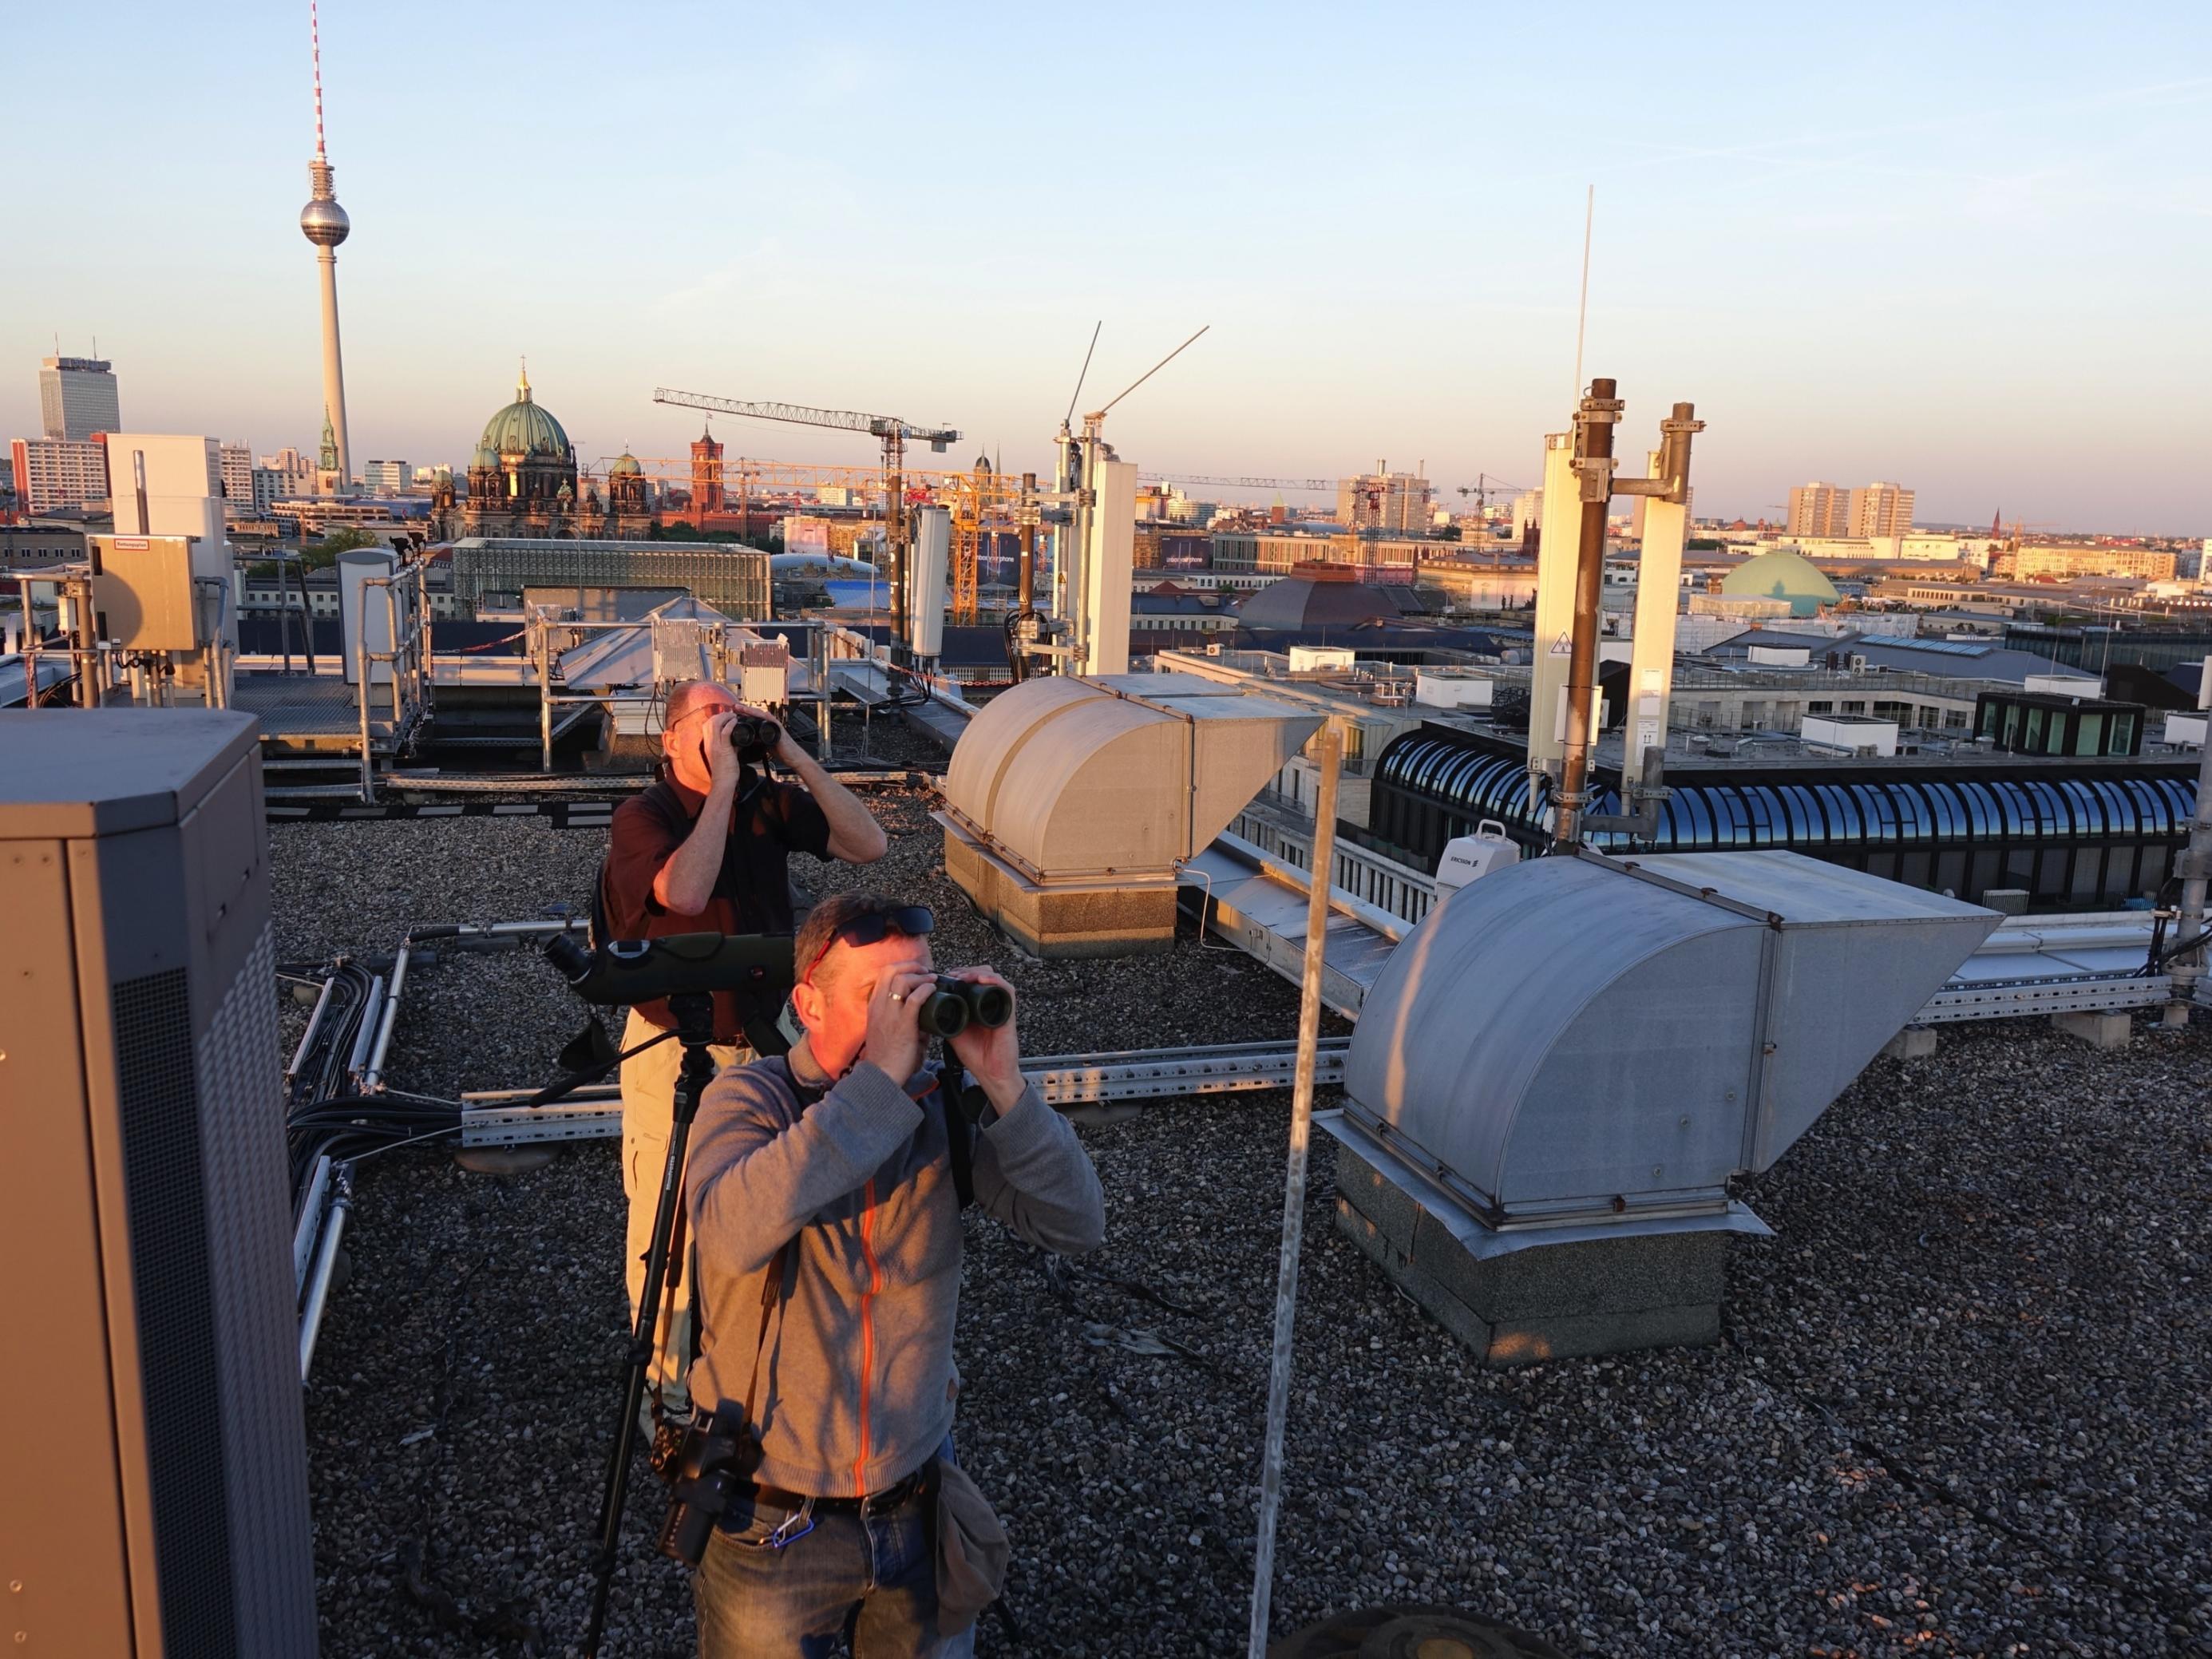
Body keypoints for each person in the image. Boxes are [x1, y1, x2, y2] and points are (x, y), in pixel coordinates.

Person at [682, 893, 1105, 1657]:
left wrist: (1006, 1087)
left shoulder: (933, 1108)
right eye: (881, 997)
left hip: (916, 1492)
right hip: (776, 1514)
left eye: (919, 990)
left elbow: (1076, 1225)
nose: (908, 1016)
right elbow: (727, 1234)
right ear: (807, 1003)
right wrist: (875, 1081)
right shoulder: (749, 1100)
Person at [598, 679, 888, 1426]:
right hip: (675, 1048)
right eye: (712, 717)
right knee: (670, 1221)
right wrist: (724, 783)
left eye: (738, 714)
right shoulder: (644, 815)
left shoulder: (765, 799)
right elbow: (684, 894)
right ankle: (665, 1401)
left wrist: (791, 752)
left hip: (767, 1049)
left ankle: (752, 1376)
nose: (729, 727)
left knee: (773, 1208)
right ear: (669, 738)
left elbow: (869, 844)